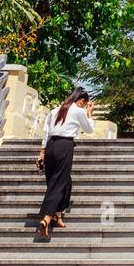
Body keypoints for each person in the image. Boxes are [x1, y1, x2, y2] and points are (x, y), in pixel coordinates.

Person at [36, 87, 93, 238]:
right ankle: (46, 218)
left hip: (50, 147)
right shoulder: (79, 110)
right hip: (64, 146)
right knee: (58, 183)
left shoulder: (55, 110)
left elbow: (46, 132)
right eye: (85, 103)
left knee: (64, 181)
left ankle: (58, 216)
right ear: (81, 100)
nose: (84, 105)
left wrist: (42, 152)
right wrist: (89, 114)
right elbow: (89, 129)